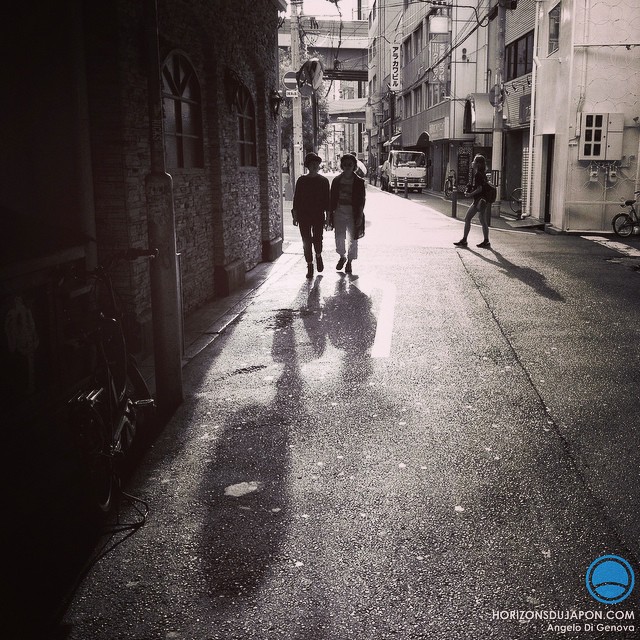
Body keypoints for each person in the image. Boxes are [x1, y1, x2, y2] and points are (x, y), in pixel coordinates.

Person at [292, 152, 331, 278]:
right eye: (312, 164)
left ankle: (318, 255)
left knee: (318, 238)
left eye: (316, 164)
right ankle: (309, 264)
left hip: (318, 214)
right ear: (308, 166)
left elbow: (327, 200)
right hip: (304, 215)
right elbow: (296, 199)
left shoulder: (324, 181)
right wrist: (295, 215)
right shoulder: (301, 180)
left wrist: (328, 217)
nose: (315, 166)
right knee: (306, 240)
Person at [329, 153, 366, 274]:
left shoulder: (359, 182)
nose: (347, 167)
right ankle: (342, 256)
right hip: (339, 212)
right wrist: (329, 214)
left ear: (354, 165)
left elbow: (361, 200)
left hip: (353, 213)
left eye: (350, 164)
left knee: (353, 239)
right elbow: (332, 198)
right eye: (345, 165)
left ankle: (349, 262)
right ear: (342, 166)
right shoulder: (336, 181)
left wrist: (360, 215)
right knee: (339, 237)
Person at [454, 154, 491, 248]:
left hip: (478, 200)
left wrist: (470, 194)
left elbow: (479, 189)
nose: (472, 162)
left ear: (478, 164)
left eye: (474, 161)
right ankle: (486, 241)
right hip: (483, 200)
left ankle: (464, 240)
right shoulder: (482, 173)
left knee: (467, 218)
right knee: (483, 220)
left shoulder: (478, 174)